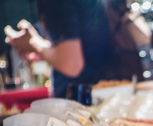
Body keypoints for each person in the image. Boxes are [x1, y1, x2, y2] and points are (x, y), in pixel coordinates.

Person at [4, 0, 143, 97]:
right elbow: (87, 44)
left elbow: (71, 64)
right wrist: (46, 50)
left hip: (87, 100)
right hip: (115, 91)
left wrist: (33, 43)